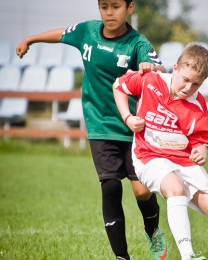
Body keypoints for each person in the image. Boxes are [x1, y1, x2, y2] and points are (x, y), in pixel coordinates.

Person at [16, 0, 170, 259]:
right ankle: (122, 256)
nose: (109, 12)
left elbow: (162, 69)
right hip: (99, 124)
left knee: (142, 190)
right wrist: (31, 39)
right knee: (110, 187)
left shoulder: (137, 43)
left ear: (129, 8)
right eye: (104, 6)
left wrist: (150, 67)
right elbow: (62, 33)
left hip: (134, 125)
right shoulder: (87, 31)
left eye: (116, 6)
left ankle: (153, 231)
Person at [113, 43, 208, 260]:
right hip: (148, 156)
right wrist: (127, 117)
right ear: (175, 68)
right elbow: (119, 86)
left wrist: (201, 150)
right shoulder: (151, 80)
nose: (188, 87)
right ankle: (188, 256)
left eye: (196, 84)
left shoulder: (197, 104)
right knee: (175, 188)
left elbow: (201, 139)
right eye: (185, 79)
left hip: (183, 162)